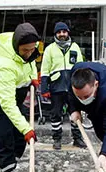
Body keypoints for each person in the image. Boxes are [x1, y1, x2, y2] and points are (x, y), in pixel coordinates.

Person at [0, 23, 39, 172]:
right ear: (16, 47)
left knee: (18, 136)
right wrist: (26, 129)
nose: (29, 53)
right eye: (25, 51)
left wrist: (33, 76)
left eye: (32, 49)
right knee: (4, 135)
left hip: (17, 91)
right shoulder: (4, 65)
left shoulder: (29, 49)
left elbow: (30, 62)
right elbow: (7, 104)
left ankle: (9, 167)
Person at [40, 22, 85, 150]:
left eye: (64, 32)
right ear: (55, 34)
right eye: (59, 32)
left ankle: (77, 138)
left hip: (73, 87)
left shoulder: (75, 47)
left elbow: (81, 67)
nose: (62, 34)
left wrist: (81, 84)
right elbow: (44, 69)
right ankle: (57, 139)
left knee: (75, 113)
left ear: (68, 33)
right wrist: (44, 87)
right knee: (55, 114)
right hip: (56, 87)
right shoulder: (50, 49)